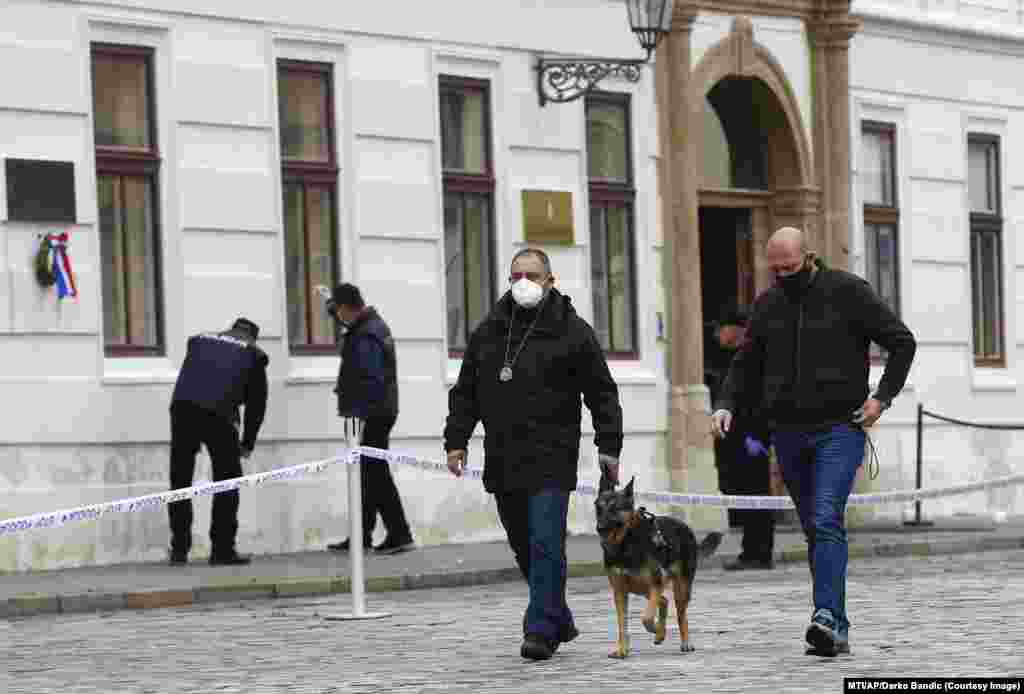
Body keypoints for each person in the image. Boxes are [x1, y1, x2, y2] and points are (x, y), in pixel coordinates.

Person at [712, 227, 916, 657]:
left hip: (839, 428)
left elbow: (901, 342)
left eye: (790, 267)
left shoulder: (848, 291)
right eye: (775, 269)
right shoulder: (768, 304)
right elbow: (745, 362)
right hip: (787, 431)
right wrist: (726, 403)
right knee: (814, 528)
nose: (783, 275)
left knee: (825, 519)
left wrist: (881, 398)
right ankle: (834, 625)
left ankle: (824, 617)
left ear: (808, 256)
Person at [444, 248, 624, 661]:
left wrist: (608, 444)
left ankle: (540, 630)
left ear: (549, 280)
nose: (523, 281)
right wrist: (456, 440)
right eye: (516, 275)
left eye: (532, 274)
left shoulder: (573, 331)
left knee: (545, 542)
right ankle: (557, 616)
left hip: (552, 456)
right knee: (524, 546)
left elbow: (601, 392)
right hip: (504, 457)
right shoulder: (489, 331)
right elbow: (465, 392)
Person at [168, 317, 269, 566]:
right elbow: (257, 405)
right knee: (227, 481)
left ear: (231, 329)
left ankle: (179, 548)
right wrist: (247, 444)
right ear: (253, 337)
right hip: (219, 415)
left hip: (182, 409)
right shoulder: (253, 354)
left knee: (180, 479)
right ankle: (222, 549)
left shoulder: (201, 340)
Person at [325, 283, 415, 556]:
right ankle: (362, 534)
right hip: (378, 411)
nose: (336, 316)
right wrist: (330, 302)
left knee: (375, 474)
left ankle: (399, 533)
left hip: (370, 413)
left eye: (336, 310)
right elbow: (346, 319)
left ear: (345, 309)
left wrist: (359, 418)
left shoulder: (365, 334)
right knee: (366, 473)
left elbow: (370, 378)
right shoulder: (369, 325)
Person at [707, 307, 775, 571]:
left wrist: (754, 437)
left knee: (756, 493)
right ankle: (752, 550)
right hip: (734, 438)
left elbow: (755, 402)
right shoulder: (726, 358)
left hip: (752, 437)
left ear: (735, 330)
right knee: (741, 492)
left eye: (721, 328)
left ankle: (758, 553)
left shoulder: (751, 357)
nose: (717, 334)